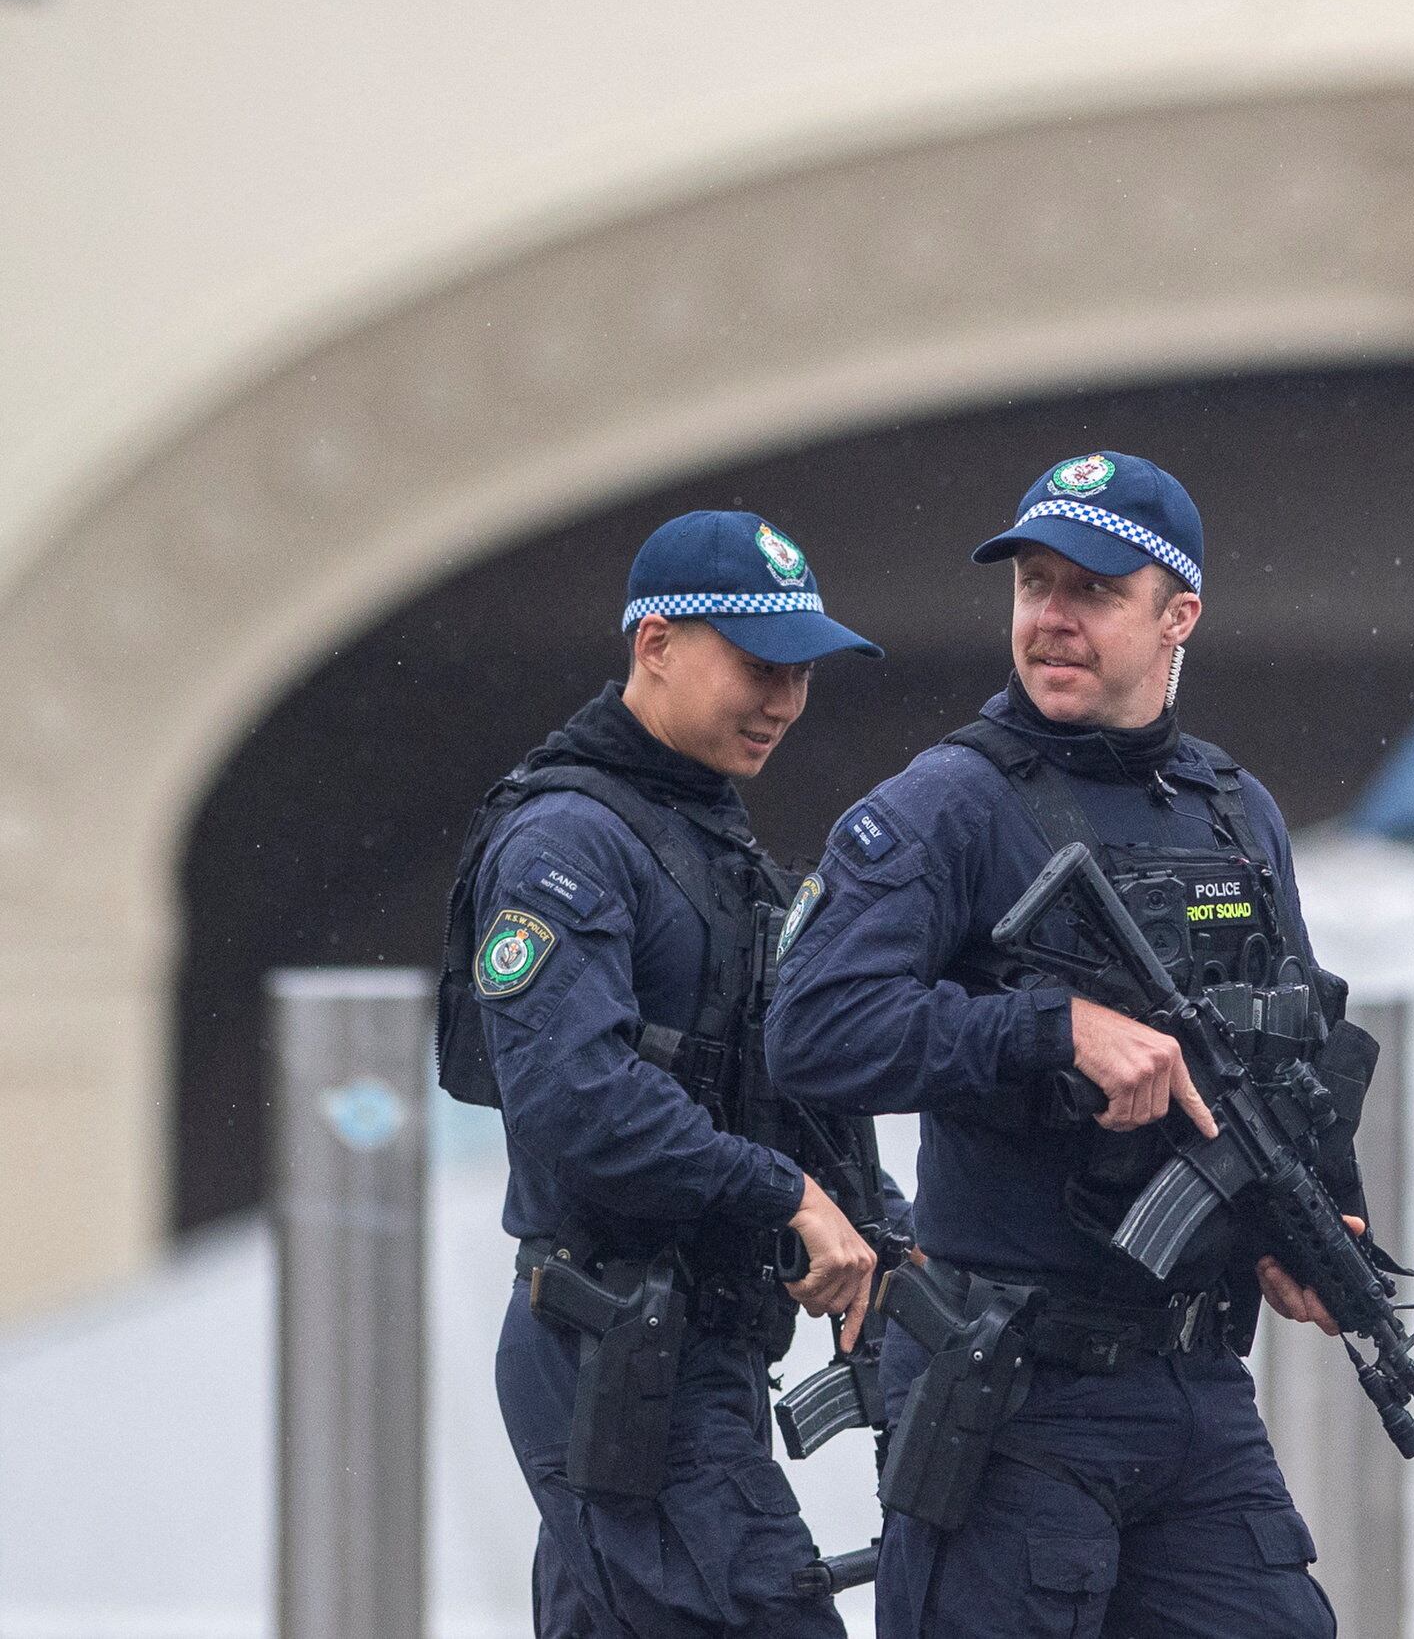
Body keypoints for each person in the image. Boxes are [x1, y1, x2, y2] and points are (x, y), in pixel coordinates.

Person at [765, 451, 1354, 1639]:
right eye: (1035, 585)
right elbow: (813, 1027)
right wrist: (1052, 1031)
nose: (1052, 619)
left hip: (1191, 1383)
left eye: (1092, 590)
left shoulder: (1232, 811)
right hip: (1012, 1393)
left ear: (1177, 614)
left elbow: (1288, 1044)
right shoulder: (948, 804)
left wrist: (1315, 1217)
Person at [437, 509, 890, 1639]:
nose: (783, 698)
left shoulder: (702, 837)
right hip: (618, 1348)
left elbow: (776, 1082)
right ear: (655, 644)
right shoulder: (567, 840)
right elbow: (575, 1096)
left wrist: (887, 1227)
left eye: (802, 671)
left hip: (690, 1352)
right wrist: (784, 1196)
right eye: (758, 663)